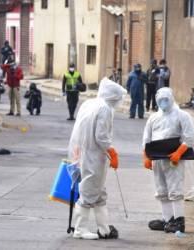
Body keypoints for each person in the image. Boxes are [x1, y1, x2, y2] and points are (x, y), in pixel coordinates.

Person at [68, 77, 127, 240]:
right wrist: (112, 151)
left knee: (99, 193)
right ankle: (80, 229)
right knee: (88, 192)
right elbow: (101, 137)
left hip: (86, 153)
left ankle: (104, 229)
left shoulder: (90, 103)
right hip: (95, 157)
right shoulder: (105, 109)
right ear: (113, 97)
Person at [143, 87, 194, 233]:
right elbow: (146, 138)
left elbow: (189, 136)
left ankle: (179, 221)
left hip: (173, 159)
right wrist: (146, 156)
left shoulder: (181, 115)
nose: (163, 102)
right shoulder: (154, 117)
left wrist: (179, 152)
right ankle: (167, 219)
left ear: (171, 99)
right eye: (160, 100)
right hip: (157, 159)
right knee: (161, 189)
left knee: (175, 189)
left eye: (165, 99)